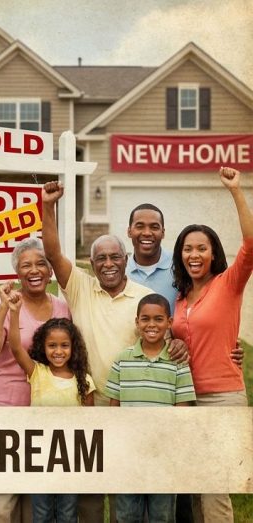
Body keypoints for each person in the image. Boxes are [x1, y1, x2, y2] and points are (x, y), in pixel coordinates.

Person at [41, 181, 190, 521]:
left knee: (132, 492)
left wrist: (177, 342)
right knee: (91, 497)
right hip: (90, 402)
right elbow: (52, 253)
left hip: (134, 405)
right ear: (91, 263)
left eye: (114, 257)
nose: (108, 263)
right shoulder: (80, 288)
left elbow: (160, 336)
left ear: (125, 259)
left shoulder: (143, 297)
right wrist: (47, 206)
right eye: (100, 258)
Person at [170, 166, 253, 521]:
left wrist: (235, 190)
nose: (194, 255)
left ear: (213, 252)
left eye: (201, 248)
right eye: (188, 249)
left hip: (222, 395)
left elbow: (251, 244)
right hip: (186, 398)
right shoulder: (180, 298)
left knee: (215, 485)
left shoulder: (229, 283)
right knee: (196, 483)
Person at [0, 238, 70, 522]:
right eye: (26, 265)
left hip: (44, 414)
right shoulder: (2, 304)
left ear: (50, 270)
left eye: (41, 263)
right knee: (2, 504)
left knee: (35, 504)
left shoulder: (63, 308)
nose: (34, 270)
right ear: (17, 273)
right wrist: (5, 307)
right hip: (2, 408)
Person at [105, 293, 194, 523]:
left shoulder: (178, 363)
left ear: (169, 323)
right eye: (145, 319)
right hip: (128, 454)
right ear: (137, 322)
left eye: (158, 319)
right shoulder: (123, 359)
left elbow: (182, 414)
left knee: (162, 516)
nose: (151, 325)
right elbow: (113, 409)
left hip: (162, 455)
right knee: (126, 515)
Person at [8, 306, 94, 522]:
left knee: (67, 513)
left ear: (74, 348)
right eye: (52, 345)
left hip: (70, 458)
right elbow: (16, 348)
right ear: (43, 347)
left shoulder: (83, 380)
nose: (58, 351)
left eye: (64, 345)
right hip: (40, 456)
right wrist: (14, 312)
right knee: (42, 512)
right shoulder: (38, 373)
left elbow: (91, 422)